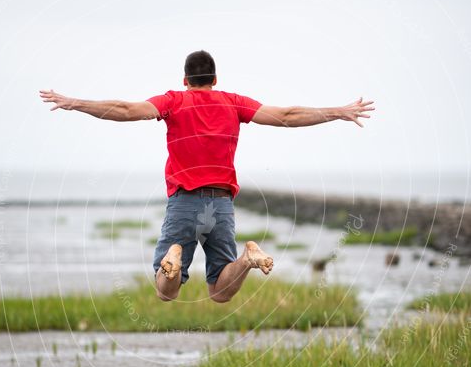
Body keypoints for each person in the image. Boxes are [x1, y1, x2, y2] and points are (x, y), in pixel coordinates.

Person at [40, 50, 374, 303]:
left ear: (185, 80)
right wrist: (338, 112)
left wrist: (75, 103)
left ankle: (174, 257)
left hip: (184, 201)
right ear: (216, 79)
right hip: (222, 204)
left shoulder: (174, 100)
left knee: (166, 292)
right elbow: (286, 116)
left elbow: (127, 110)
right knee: (219, 292)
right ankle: (247, 259)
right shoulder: (233, 102)